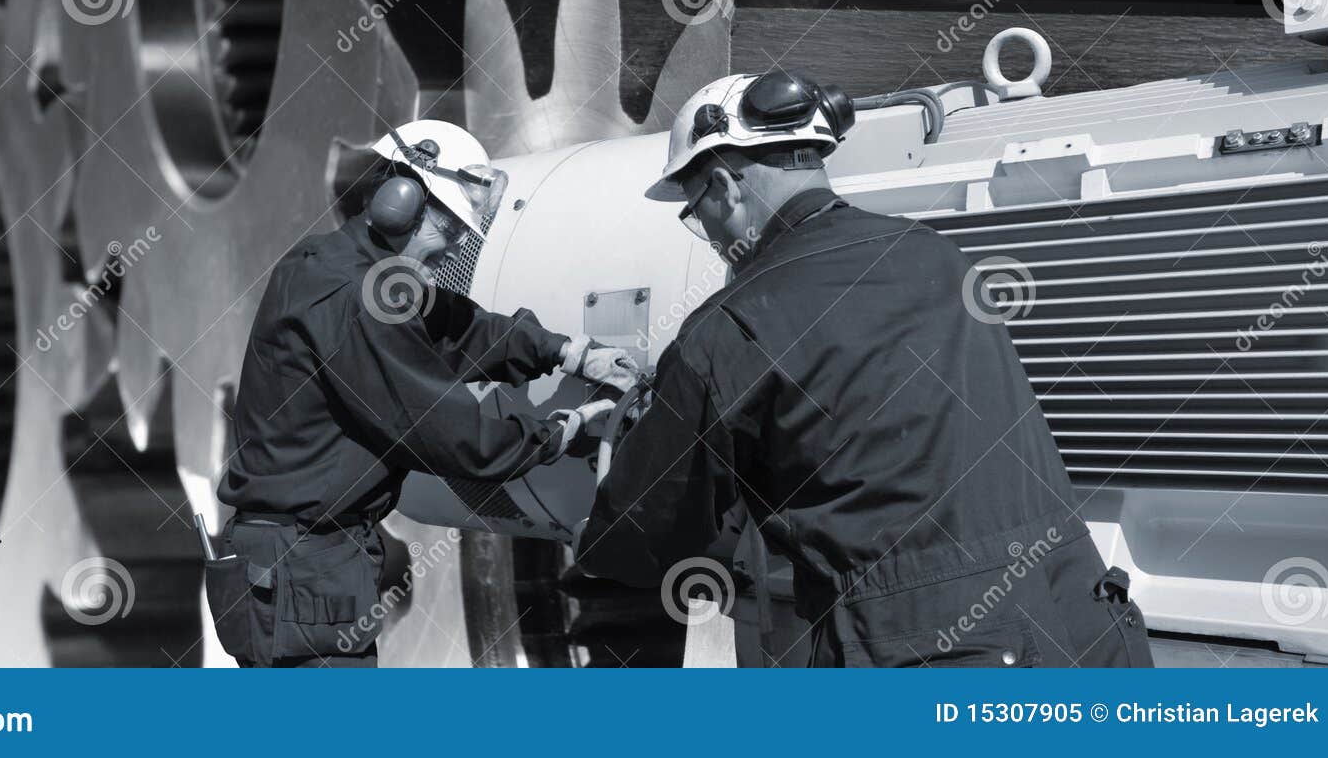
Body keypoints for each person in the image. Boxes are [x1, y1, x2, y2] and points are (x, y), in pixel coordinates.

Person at [575, 69, 1154, 668]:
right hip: (1087, 622)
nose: (712, 237)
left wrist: (608, 495)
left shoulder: (729, 329)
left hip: (924, 650)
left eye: (696, 212)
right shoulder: (938, 255)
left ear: (724, 186)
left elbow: (645, 537)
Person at [209, 119, 639, 667]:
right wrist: (563, 432)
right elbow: (450, 435)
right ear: (400, 200)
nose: (453, 248)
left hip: (300, 565)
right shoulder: (356, 297)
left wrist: (566, 351)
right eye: (449, 228)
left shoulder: (330, 263)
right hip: (304, 570)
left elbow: (455, 328)